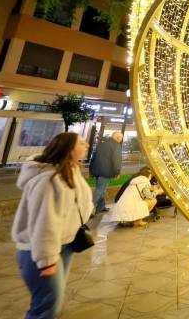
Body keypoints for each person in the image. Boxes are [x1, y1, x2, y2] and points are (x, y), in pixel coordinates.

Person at [12, 132, 93, 319]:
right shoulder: (48, 181)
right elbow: (44, 223)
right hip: (39, 252)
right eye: (81, 142)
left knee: (52, 304)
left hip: (64, 246)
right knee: (45, 307)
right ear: (69, 149)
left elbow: (78, 206)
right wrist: (46, 260)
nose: (87, 145)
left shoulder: (71, 171)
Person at [89, 131, 123, 214]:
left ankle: (101, 207)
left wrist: (91, 170)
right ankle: (88, 210)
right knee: (100, 190)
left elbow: (94, 156)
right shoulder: (116, 145)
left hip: (97, 170)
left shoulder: (102, 143)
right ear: (118, 138)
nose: (121, 140)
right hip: (106, 171)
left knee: (102, 189)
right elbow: (116, 159)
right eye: (121, 138)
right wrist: (117, 171)